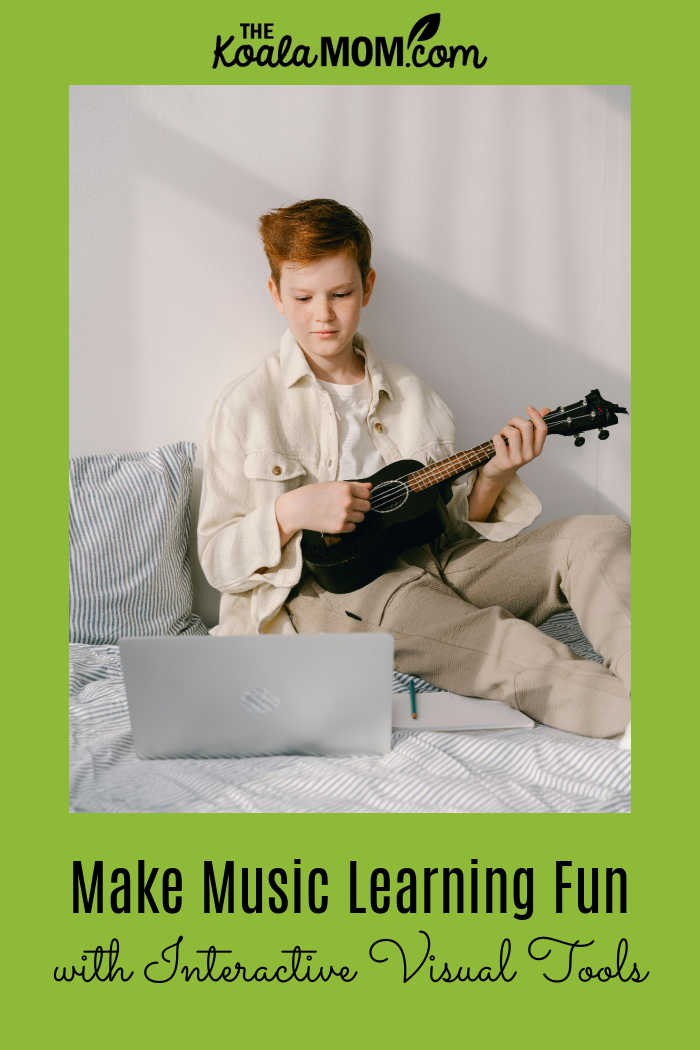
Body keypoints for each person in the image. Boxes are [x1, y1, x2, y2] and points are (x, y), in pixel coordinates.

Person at [198, 199, 630, 738]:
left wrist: (493, 477)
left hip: (440, 565)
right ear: (275, 295)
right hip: (341, 597)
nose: (323, 315)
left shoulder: (412, 394)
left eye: (341, 294)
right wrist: (289, 511)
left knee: (599, 534)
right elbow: (218, 560)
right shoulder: (246, 407)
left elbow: (447, 527)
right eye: (303, 297)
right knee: (499, 642)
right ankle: (629, 717)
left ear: (368, 287)